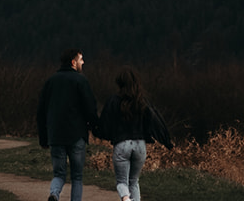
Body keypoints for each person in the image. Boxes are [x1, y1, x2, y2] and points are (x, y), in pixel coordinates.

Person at [96, 67, 173, 201]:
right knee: (134, 181)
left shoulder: (113, 101)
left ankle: (126, 199)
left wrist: (100, 133)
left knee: (121, 182)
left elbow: (104, 125)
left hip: (122, 145)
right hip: (140, 145)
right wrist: (167, 141)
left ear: (119, 83)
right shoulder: (142, 101)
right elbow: (155, 122)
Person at [37, 46, 99, 201]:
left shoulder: (50, 81)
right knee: (77, 177)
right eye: (81, 59)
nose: (83, 62)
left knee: (58, 174)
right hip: (76, 135)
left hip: (56, 135)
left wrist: (43, 138)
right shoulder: (81, 81)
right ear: (73, 62)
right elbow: (90, 108)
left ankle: (54, 193)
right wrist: (95, 128)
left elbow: (41, 112)